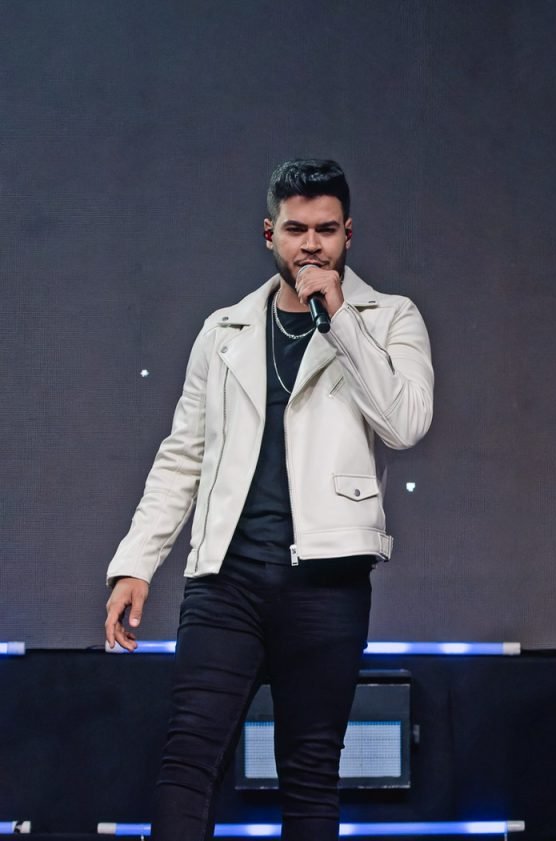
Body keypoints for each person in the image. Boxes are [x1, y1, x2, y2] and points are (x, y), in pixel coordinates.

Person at [103, 159, 434, 841]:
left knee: (310, 773)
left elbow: (405, 423)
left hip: (328, 580)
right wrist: (136, 561)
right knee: (189, 756)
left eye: (326, 230)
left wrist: (339, 316)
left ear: (348, 234)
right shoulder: (224, 329)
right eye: (296, 229)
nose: (311, 245)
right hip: (226, 578)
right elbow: (183, 453)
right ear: (269, 234)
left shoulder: (390, 317)